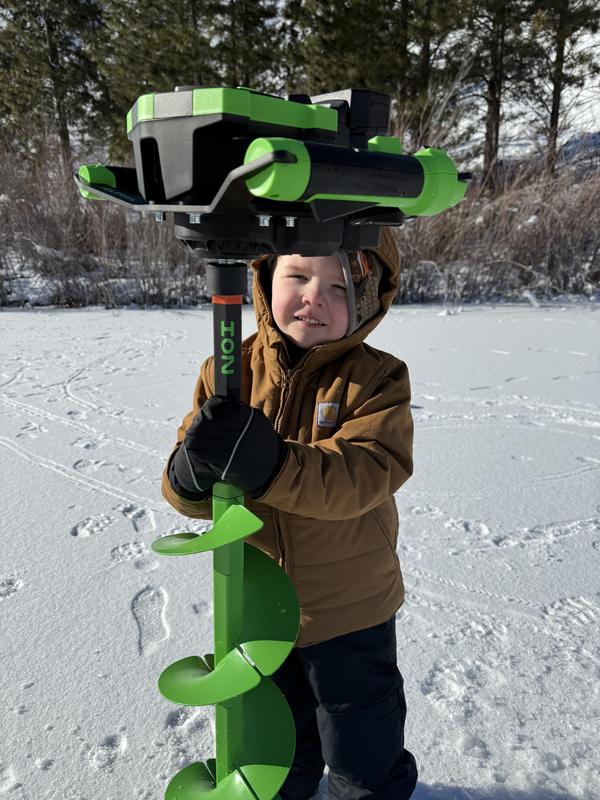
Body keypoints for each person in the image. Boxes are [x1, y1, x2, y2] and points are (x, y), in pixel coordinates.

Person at [161, 227, 418, 800]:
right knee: (278, 733)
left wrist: (275, 465)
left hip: (349, 609)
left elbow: (366, 471)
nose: (313, 298)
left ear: (366, 301)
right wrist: (188, 476)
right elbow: (189, 491)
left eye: (338, 287)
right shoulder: (227, 372)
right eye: (298, 276)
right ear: (265, 278)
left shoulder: (377, 378)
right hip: (257, 606)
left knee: (360, 742)